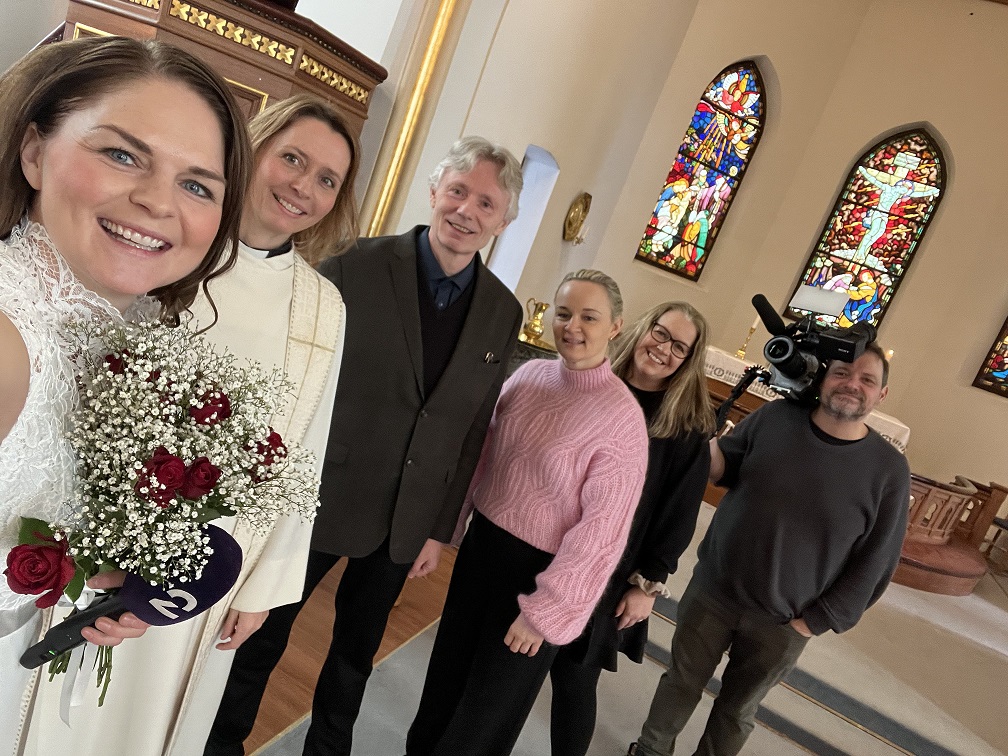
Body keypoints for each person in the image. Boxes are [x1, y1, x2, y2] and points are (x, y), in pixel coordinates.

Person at [25, 94, 355, 755]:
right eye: (291, 157)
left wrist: (266, 586)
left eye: (327, 179)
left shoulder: (324, 307)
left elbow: (305, 453)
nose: (303, 186)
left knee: (147, 719)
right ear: (251, 149)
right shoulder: (168, 245)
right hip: (98, 512)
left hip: (210, 555)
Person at [205, 136, 525, 756]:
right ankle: (221, 744)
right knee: (265, 636)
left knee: (356, 651)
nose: (466, 211)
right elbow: (300, 377)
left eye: (485, 203)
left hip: (408, 519)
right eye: (457, 191)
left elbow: (472, 424)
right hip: (323, 495)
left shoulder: (501, 311)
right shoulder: (353, 264)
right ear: (434, 191)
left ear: (503, 220)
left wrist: (441, 527)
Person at [0, 35, 251, 755]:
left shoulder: (135, 338)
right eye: (121, 153)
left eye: (198, 184)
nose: (156, 201)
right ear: (34, 151)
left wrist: (105, 573)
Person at [406, 269, 650, 756]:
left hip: (539, 577)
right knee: (443, 688)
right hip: (481, 553)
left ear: (616, 327)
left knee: (483, 720)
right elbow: (480, 458)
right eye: (563, 313)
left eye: (589, 316)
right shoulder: (529, 375)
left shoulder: (622, 419)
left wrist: (545, 614)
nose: (572, 326)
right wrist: (444, 532)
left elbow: (601, 534)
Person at [630, 344, 911, 756]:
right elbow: (723, 466)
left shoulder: (889, 470)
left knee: (737, 709)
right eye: (842, 373)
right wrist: (703, 440)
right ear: (822, 378)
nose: (852, 385)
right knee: (680, 681)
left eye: (867, 379)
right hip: (714, 591)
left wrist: (815, 621)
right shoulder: (776, 418)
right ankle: (650, 750)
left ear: (881, 394)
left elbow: (877, 561)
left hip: (785, 619)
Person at [549, 301, 715, 756]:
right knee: (514, 668)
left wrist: (647, 585)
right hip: (547, 543)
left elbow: (677, 517)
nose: (663, 349)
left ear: (688, 361)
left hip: (610, 568)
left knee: (574, 680)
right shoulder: (594, 382)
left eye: (679, 347)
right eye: (660, 333)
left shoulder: (687, 429)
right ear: (643, 328)